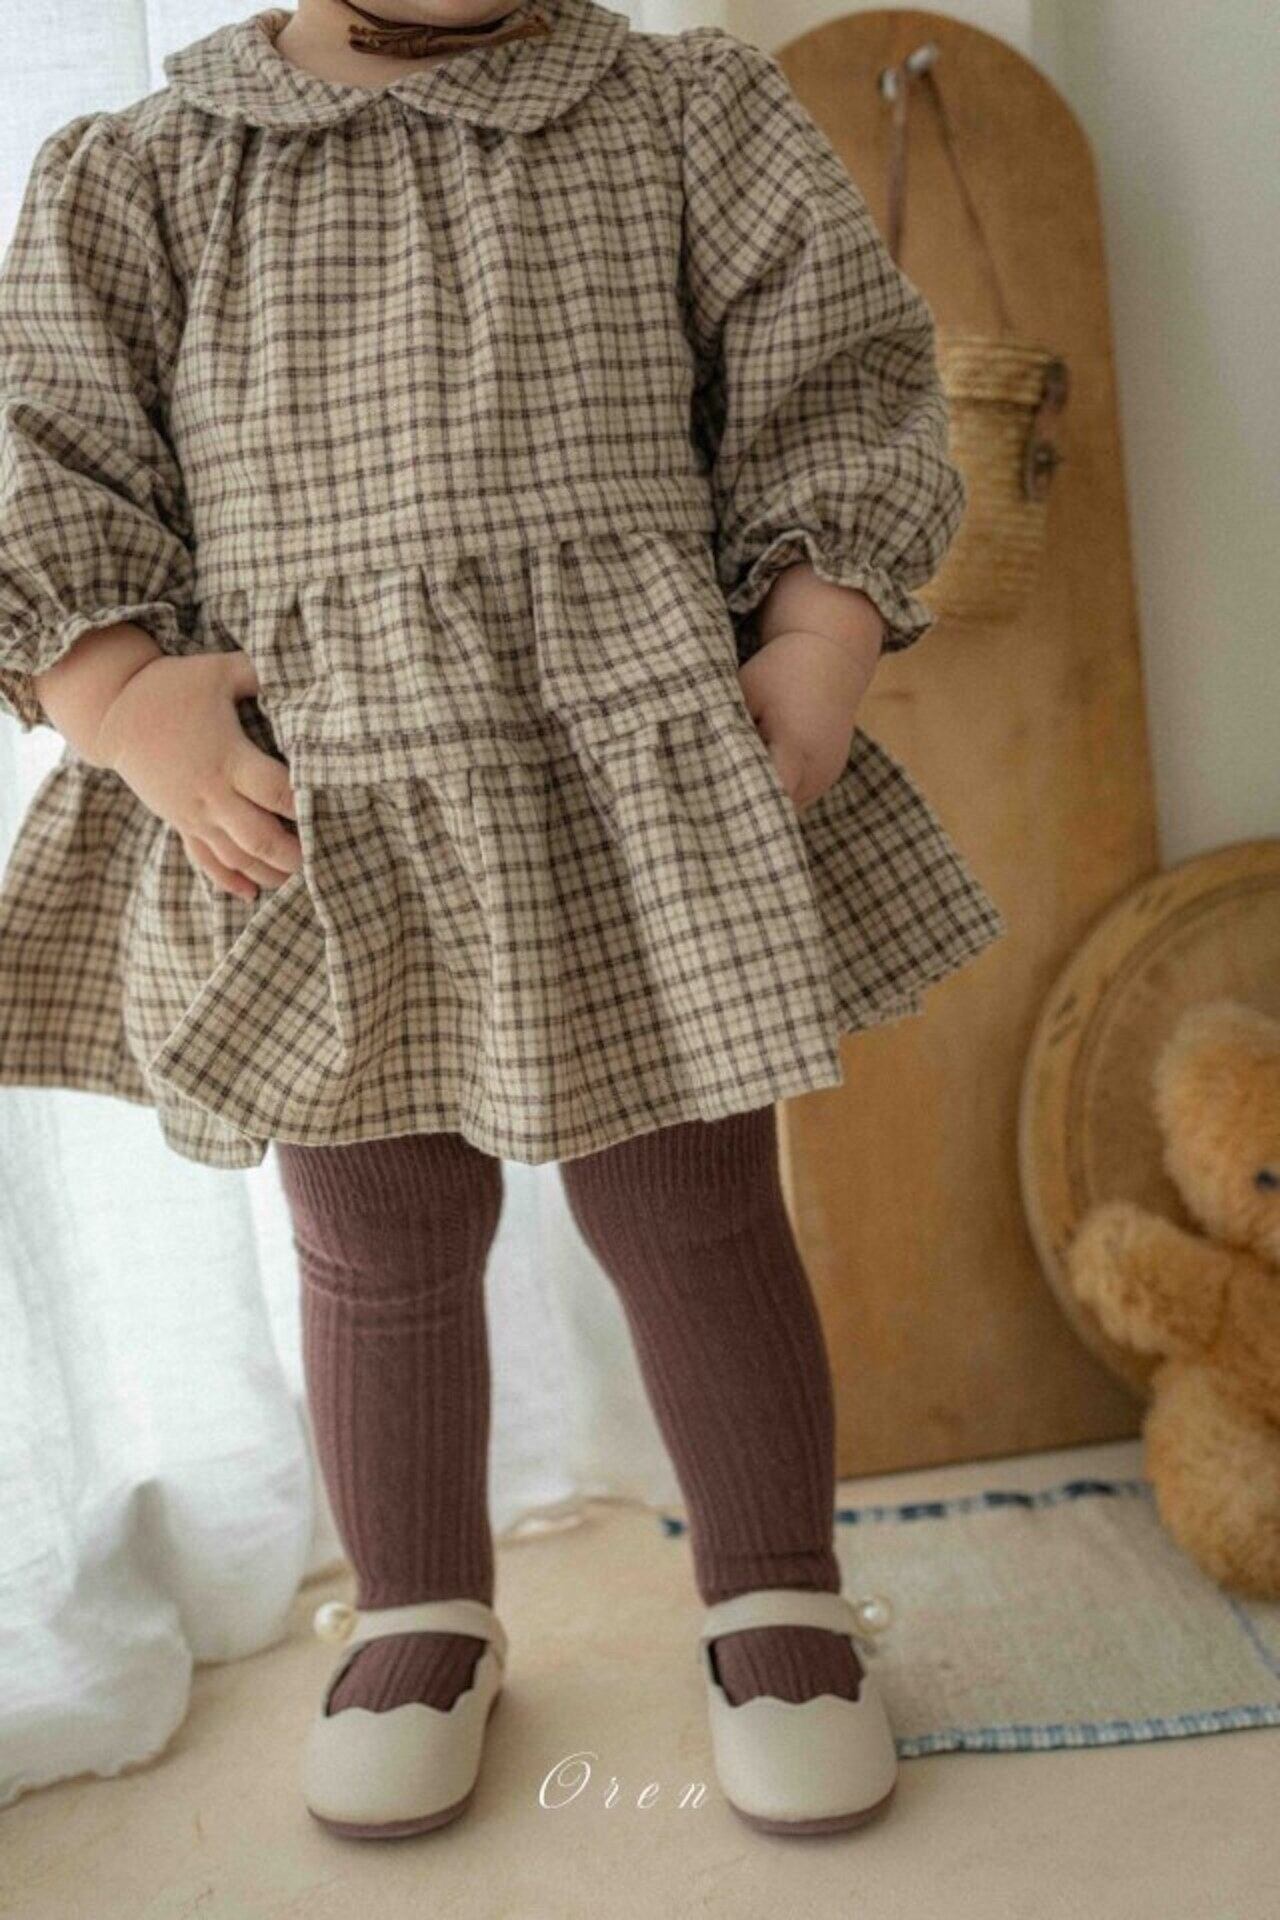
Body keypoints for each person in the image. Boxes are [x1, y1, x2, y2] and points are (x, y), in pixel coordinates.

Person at [0, 0, 1005, 1839]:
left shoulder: (680, 110)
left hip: (617, 760)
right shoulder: (145, 171)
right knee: (375, 1224)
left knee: (692, 1199)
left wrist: (817, 629)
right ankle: (419, 1612)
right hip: (315, 790)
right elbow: (44, 449)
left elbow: (837, 369)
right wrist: (122, 697)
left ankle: (775, 1595)